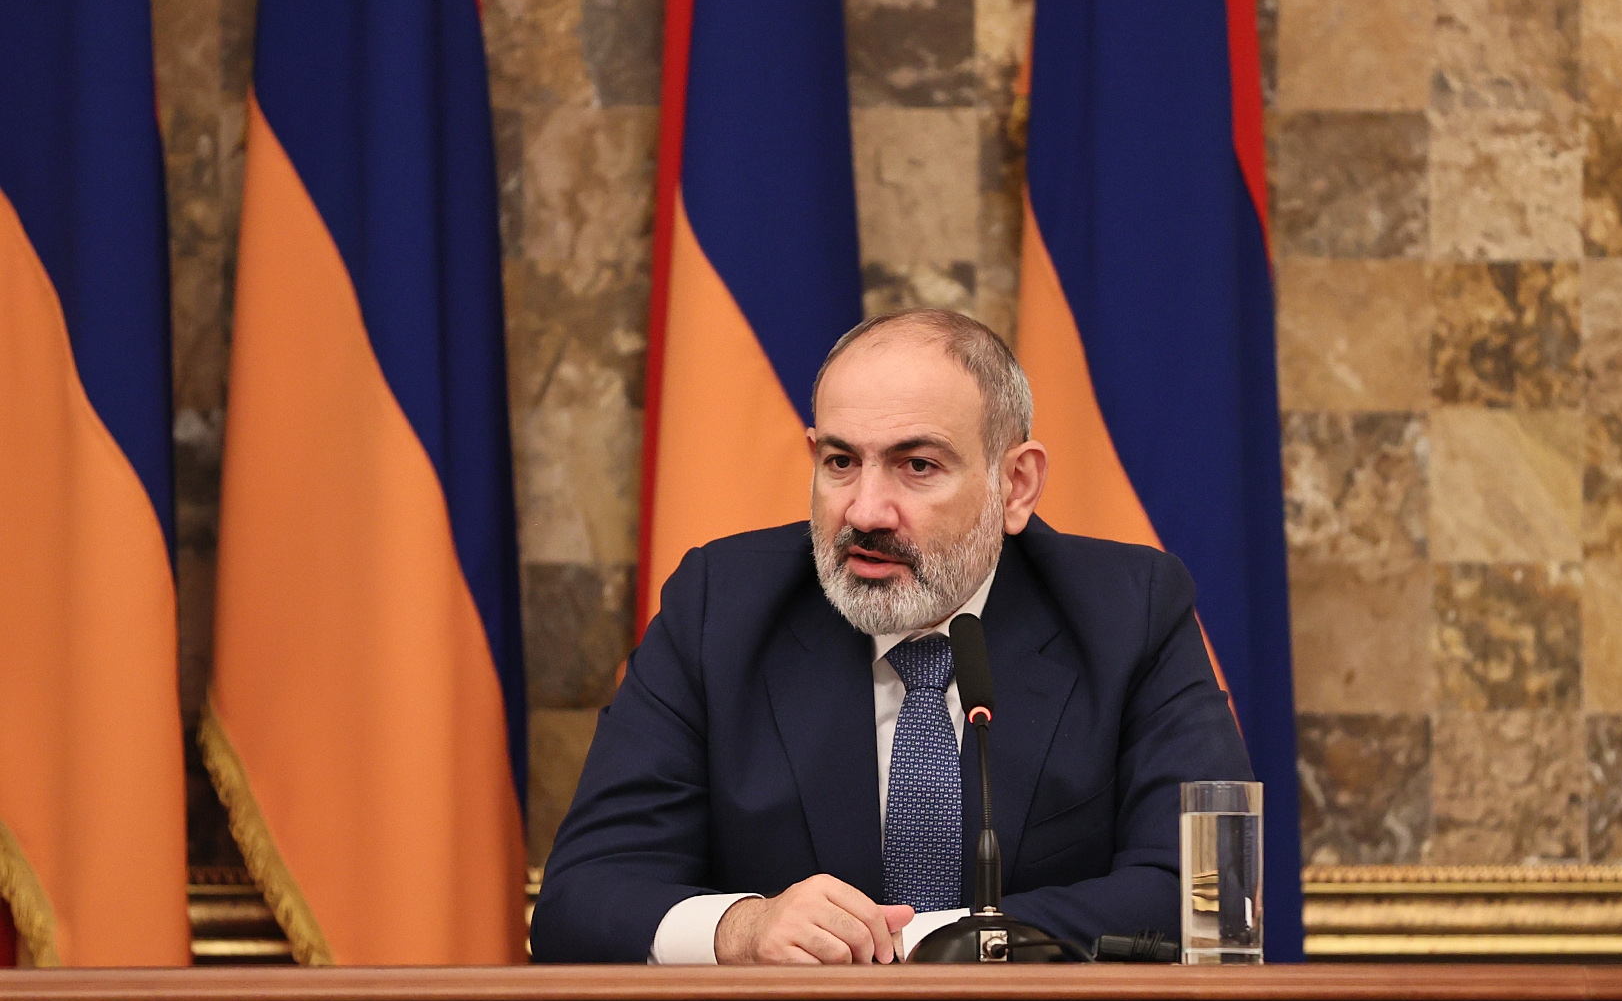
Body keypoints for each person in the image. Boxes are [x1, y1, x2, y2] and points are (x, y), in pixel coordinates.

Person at [532, 309, 1251, 964]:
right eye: (841, 462)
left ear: (1016, 485)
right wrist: (743, 929)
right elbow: (580, 898)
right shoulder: (720, 606)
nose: (866, 511)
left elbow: (1210, 896)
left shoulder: (1127, 611)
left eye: (918, 465)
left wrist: (925, 944)